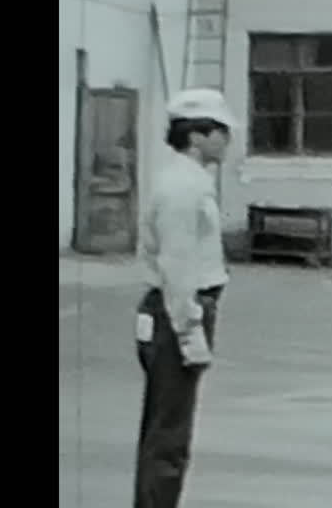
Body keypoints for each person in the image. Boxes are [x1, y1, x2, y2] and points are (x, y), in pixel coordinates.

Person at [133, 88, 238, 508]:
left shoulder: (188, 180)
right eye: (220, 132)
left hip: (178, 309)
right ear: (196, 136)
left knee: (167, 428)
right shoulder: (182, 188)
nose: (226, 141)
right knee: (169, 435)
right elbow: (177, 266)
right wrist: (190, 330)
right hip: (178, 312)